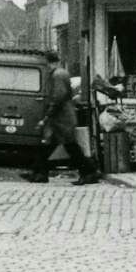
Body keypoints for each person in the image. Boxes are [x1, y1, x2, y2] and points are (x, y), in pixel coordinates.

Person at [22, 50, 99, 185]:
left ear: (48, 62)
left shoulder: (58, 74)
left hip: (62, 117)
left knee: (69, 147)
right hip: (61, 116)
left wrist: (48, 114)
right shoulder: (59, 73)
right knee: (48, 146)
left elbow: (58, 96)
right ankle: (39, 172)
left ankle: (89, 172)